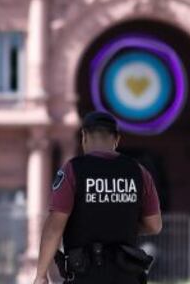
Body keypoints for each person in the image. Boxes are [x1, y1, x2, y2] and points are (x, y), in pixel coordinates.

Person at [33, 111, 162, 284]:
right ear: (116, 139)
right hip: (127, 275)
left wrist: (41, 275)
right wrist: (118, 225)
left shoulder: (72, 171)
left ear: (84, 136)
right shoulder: (139, 172)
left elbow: (54, 227)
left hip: (84, 275)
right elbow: (154, 225)